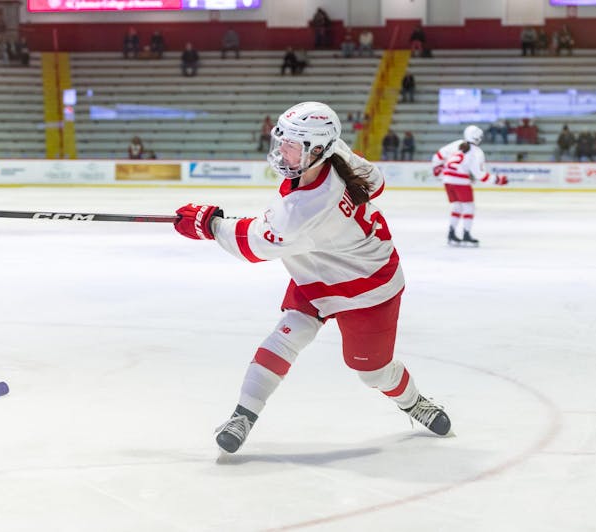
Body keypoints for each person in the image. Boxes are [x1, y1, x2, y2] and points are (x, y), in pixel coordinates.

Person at [171, 101, 452, 454]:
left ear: (317, 149)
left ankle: (414, 401)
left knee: (373, 373)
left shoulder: (309, 206)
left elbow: (256, 244)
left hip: (367, 288)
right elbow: (376, 183)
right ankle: (243, 414)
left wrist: (208, 224)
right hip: (318, 269)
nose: (282, 152)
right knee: (286, 335)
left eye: (292, 145)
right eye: (282, 141)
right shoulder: (337, 154)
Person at [431, 125, 508, 247]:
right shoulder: (477, 152)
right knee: (469, 208)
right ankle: (466, 235)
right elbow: (480, 175)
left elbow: (438, 157)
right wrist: (497, 180)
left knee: (456, 207)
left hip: (447, 179)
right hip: (460, 181)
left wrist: (437, 169)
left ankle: (451, 235)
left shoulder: (457, 143)